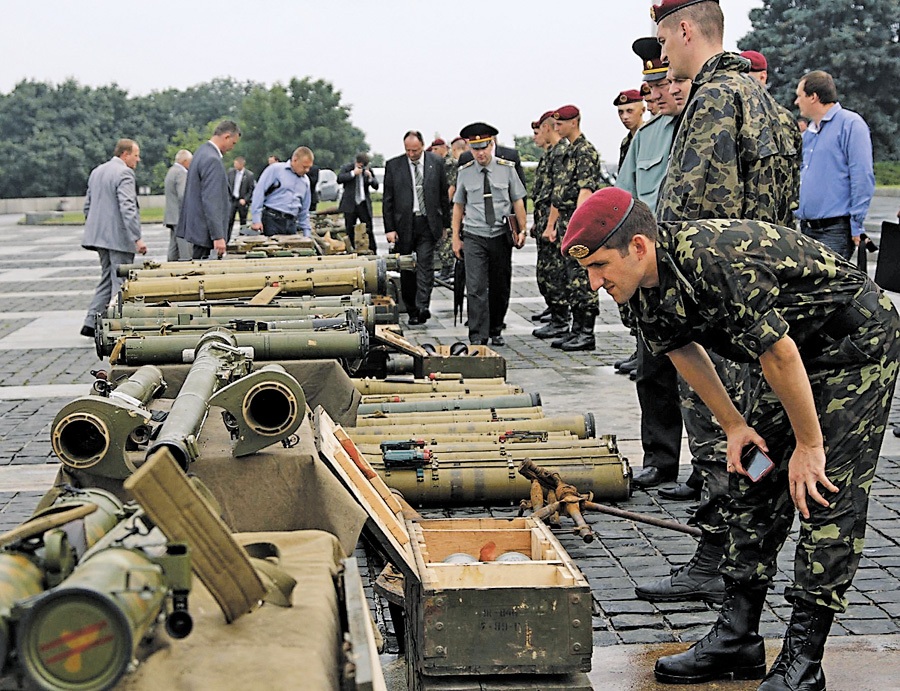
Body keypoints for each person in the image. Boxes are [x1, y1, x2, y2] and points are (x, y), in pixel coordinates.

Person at [564, 186, 899, 691]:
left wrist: (809, 448)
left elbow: (779, 354)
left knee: (823, 491)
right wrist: (734, 427)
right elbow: (680, 349)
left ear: (638, 247)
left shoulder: (712, 259)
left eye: (600, 266)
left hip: (853, 347)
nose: (594, 283)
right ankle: (738, 637)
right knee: (752, 476)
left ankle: (804, 661)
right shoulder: (638, 287)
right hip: (790, 355)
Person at [636, 0, 802, 604]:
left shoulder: (712, 101)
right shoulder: (771, 107)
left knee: (721, 437)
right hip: (765, 306)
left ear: (685, 30)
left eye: (664, 41)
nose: (663, 57)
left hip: (718, 307)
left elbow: (688, 224)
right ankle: (735, 559)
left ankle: (719, 560)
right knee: (755, 436)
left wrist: (669, 308)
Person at [615, 37, 685, 492]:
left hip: (697, 269)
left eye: (665, 83)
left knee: (707, 375)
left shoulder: (705, 127)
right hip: (653, 271)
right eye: (650, 86)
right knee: (653, 368)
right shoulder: (646, 137)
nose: (655, 94)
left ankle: (711, 467)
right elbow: (624, 199)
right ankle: (661, 459)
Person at [452, 122, 527, 346]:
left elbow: (518, 201)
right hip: (475, 235)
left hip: (500, 234)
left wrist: (522, 230)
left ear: (492, 144)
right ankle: (477, 335)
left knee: (499, 285)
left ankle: (495, 329)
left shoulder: (507, 168)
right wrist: (456, 238)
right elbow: (458, 206)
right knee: (475, 287)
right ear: (469, 148)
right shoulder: (464, 173)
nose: (480, 153)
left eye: (484, 147)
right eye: (475, 149)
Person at [794, 70, 875, 260]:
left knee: (827, 289)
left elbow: (862, 176)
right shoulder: (809, 134)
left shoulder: (851, 125)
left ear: (813, 97)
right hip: (807, 229)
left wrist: (857, 225)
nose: (797, 102)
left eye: (799, 96)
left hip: (834, 231)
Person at [542, 105, 604, 351]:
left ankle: (586, 333)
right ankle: (575, 330)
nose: (556, 128)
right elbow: (559, 194)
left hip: (578, 221)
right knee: (569, 278)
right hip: (566, 219)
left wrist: (578, 226)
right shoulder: (569, 151)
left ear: (574, 122)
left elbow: (585, 191)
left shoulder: (585, 152)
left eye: (560, 124)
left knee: (581, 278)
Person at [80, 139, 147, 337]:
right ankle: (117, 326)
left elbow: (87, 206)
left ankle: (91, 322)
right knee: (121, 281)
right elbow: (127, 207)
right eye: (136, 155)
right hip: (118, 236)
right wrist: (137, 238)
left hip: (99, 236)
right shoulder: (125, 173)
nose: (138, 159)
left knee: (107, 278)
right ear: (125, 154)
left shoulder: (97, 171)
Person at [382, 130, 450, 325]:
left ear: (423, 146)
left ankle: (422, 306)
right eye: (408, 150)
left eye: (415, 150)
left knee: (426, 265)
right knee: (407, 269)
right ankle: (411, 309)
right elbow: (388, 199)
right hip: (404, 224)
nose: (412, 154)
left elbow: (443, 195)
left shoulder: (436, 163)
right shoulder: (394, 166)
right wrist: (390, 229)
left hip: (427, 222)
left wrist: (444, 224)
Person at [176, 120, 241, 260]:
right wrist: (218, 236)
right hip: (206, 234)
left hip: (198, 230)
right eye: (233, 143)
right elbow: (212, 200)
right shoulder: (212, 159)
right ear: (227, 137)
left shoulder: (201, 152)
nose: (232, 147)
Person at [530, 111, 569, 340]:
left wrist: (551, 225)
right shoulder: (550, 154)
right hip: (545, 220)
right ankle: (556, 315)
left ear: (547, 128)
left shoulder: (560, 153)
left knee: (555, 273)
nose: (535, 136)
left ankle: (561, 321)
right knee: (546, 273)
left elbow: (558, 194)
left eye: (538, 130)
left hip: (554, 224)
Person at [250, 147, 315, 237]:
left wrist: (307, 232)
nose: (307, 170)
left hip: (291, 223)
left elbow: (304, 209)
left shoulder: (306, 181)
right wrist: (256, 220)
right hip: (272, 220)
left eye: (309, 167)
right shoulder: (276, 170)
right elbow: (259, 192)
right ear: (295, 160)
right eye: (304, 167)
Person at [337, 153, 379, 252]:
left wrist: (370, 178)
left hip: (363, 203)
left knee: (368, 228)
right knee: (350, 228)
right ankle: (350, 249)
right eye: (360, 166)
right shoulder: (347, 168)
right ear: (356, 162)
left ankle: (372, 249)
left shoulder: (368, 169)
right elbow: (339, 179)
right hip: (350, 203)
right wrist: (353, 173)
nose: (361, 168)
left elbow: (376, 185)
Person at [163, 149, 192, 262]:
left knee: (174, 248)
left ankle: (169, 268)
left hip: (172, 216)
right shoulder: (181, 173)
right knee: (185, 250)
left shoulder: (171, 171)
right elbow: (183, 195)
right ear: (184, 161)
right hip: (180, 216)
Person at [615, 89, 646, 169]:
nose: (624, 117)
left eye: (630, 111)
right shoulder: (625, 142)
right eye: (621, 112)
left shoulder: (651, 137)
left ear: (642, 110)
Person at [226, 157, 255, 239]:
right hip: (232, 199)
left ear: (241, 165)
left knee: (243, 221)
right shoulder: (231, 173)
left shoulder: (249, 175)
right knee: (230, 219)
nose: (235, 165)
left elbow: (251, 189)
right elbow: (227, 185)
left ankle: (242, 238)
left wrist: (245, 199)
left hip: (242, 200)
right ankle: (227, 239)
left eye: (236, 164)